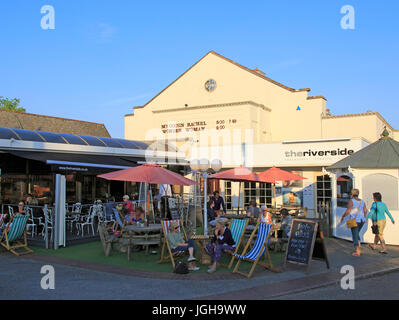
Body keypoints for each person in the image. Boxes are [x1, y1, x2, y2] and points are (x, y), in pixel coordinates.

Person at [340, 189, 368, 256]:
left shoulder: (351, 201)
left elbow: (348, 211)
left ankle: (357, 251)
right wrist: (365, 217)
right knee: (357, 233)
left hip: (354, 220)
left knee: (355, 235)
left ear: (352, 194)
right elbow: (365, 210)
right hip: (362, 220)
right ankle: (359, 245)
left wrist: (343, 216)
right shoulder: (362, 201)